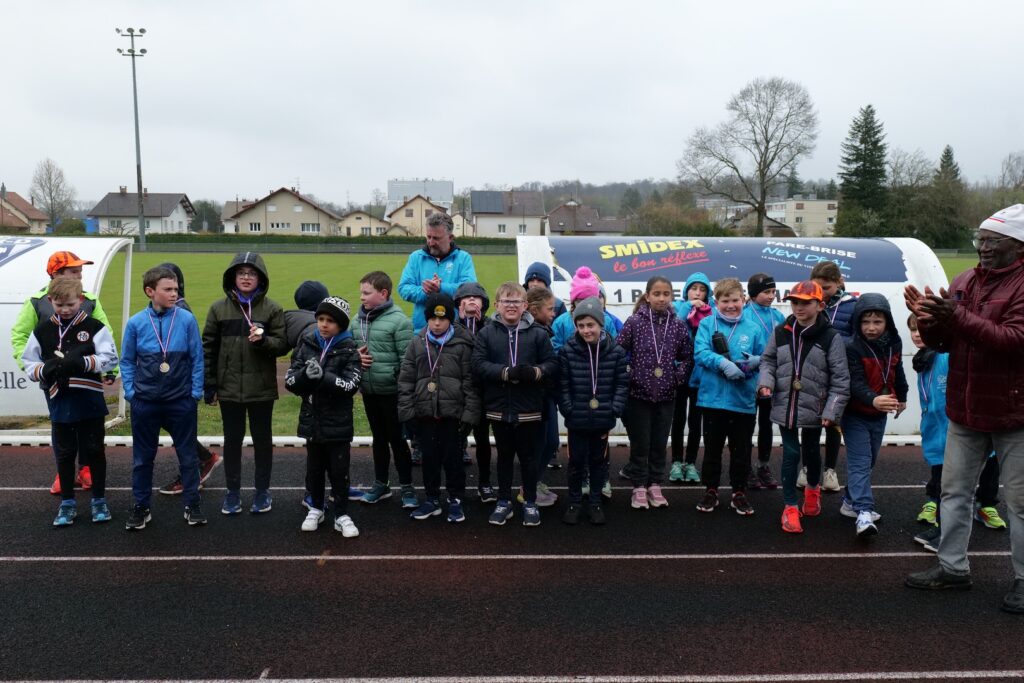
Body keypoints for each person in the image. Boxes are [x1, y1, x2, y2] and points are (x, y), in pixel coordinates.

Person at [904, 204, 1024, 614]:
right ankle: (952, 567)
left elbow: (1011, 341)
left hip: (1014, 411)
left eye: (994, 241)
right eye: (981, 240)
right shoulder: (965, 280)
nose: (984, 247)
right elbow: (944, 343)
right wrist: (927, 318)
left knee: (1021, 503)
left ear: (1018, 246)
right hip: (965, 407)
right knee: (953, 492)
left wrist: (956, 315)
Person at [10, 251, 115, 495]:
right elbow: (20, 336)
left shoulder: (89, 300)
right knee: (63, 424)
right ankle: (64, 471)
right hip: (54, 380)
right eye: (73, 270)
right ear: (56, 275)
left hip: (85, 379)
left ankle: (86, 467)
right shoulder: (36, 302)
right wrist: (37, 369)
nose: (80, 274)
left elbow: (105, 333)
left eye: (80, 270)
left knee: (88, 425)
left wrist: (111, 367)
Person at [757, 281, 850, 534]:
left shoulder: (831, 337)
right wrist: (766, 382)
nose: (798, 307)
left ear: (820, 305)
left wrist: (832, 410)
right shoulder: (781, 331)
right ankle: (789, 506)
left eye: (805, 302)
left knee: (810, 451)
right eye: (794, 301)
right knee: (790, 453)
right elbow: (768, 360)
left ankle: (812, 489)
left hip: (815, 407)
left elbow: (841, 380)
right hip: (785, 404)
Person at [908, 313, 1005, 552]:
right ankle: (942, 527)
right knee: (944, 483)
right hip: (936, 430)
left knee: (952, 486)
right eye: (914, 329)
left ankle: (947, 534)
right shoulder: (924, 358)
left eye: (924, 328)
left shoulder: (948, 355)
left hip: (955, 430)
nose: (918, 334)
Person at [203, 253, 289, 516]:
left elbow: (282, 345)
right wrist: (210, 384)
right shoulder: (218, 309)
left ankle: (262, 492)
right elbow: (209, 347)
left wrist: (264, 341)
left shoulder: (272, 309)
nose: (246, 277)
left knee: (263, 442)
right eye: (241, 273)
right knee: (232, 441)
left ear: (260, 278)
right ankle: (232, 493)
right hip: (229, 389)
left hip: (261, 389)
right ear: (232, 277)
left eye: (252, 273)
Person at [121, 266, 206, 530]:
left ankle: (192, 504)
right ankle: (141, 506)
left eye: (176, 289)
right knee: (142, 459)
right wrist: (131, 393)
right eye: (168, 289)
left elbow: (197, 358)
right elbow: (126, 361)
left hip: (180, 401)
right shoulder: (136, 323)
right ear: (150, 291)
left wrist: (194, 393)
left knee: (188, 457)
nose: (174, 294)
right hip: (145, 402)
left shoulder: (186, 320)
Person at [473, 281, 557, 527]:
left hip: (529, 408)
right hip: (499, 408)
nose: (511, 306)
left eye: (516, 301)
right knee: (505, 457)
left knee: (529, 458)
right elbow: (478, 365)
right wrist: (505, 373)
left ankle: (530, 501)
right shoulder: (486, 333)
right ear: (497, 305)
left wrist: (535, 372)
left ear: (525, 306)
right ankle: (503, 501)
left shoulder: (539, 334)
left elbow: (553, 365)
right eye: (506, 301)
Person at [398, 293, 480, 522]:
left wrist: (469, 415)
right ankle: (432, 499)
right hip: (424, 414)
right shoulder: (417, 343)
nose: (436, 323)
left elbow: (470, 383)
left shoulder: (463, 344)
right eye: (432, 318)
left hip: (453, 415)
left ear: (450, 319)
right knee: (429, 459)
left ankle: (456, 499)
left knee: (453, 459)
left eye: (442, 319)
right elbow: (406, 380)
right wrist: (408, 412)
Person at [285, 296, 361, 537]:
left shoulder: (350, 349)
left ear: (340, 325)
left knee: (339, 470)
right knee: (314, 469)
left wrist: (324, 377)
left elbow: (351, 385)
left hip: (338, 422)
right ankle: (316, 507)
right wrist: (306, 376)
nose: (323, 324)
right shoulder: (306, 343)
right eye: (320, 319)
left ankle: (342, 514)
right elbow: (291, 382)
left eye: (330, 320)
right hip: (312, 419)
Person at [617, 276, 693, 510]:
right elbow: (619, 352)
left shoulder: (678, 325)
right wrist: (630, 376)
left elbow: (687, 357)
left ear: (672, 296)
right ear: (648, 296)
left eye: (666, 294)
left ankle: (655, 484)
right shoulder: (634, 322)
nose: (661, 298)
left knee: (659, 442)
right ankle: (639, 486)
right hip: (638, 395)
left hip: (666, 396)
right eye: (657, 294)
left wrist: (676, 379)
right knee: (641, 443)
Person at [693, 277, 766, 516]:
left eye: (735, 300)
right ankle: (711, 489)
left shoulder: (753, 328)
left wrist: (756, 361)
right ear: (716, 301)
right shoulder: (707, 324)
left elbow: (766, 357)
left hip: (742, 399)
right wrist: (723, 363)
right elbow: (700, 353)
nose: (731, 305)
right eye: (725, 301)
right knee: (713, 448)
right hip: (712, 399)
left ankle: (739, 491)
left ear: (743, 300)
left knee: (741, 450)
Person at [557, 297, 629, 525]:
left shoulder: (615, 352)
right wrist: (568, 408)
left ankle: (596, 501)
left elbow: (621, 384)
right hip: (577, 419)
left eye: (591, 325)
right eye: (581, 326)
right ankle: (575, 502)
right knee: (576, 463)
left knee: (599, 463)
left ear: (601, 324)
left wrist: (614, 409)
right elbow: (563, 384)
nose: (586, 330)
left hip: (602, 419)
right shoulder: (568, 351)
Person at [840, 294, 908, 537]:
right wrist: (873, 399)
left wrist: (902, 396)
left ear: (887, 322)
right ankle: (864, 513)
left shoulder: (894, 343)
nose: (871, 327)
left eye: (877, 321)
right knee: (860, 462)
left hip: (879, 415)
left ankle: (849, 501)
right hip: (855, 413)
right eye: (865, 321)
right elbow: (854, 383)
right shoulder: (851, 347)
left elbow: (897, 370)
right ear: (857, 322)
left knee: (869, 462)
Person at [155, 263, 222, 495]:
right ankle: (204, 459)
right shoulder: (169, 309)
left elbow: (194, 352)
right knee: (173, 426)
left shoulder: (180, 312)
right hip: (170, 385)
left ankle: (192, 475)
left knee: (179, 430)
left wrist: (198, 387)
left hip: (179, 386)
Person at [354, 271, 416, 509]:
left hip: (393, 394)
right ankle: (381, 484)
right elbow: (348, 352)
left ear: (383, 294)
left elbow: (406, 361)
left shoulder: (400, 322)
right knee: (378, 440)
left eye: (366, 293)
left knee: (398, 441)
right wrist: (354, 358)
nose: (362, 297)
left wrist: (402, 391)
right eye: (361, 292)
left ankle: (408, 487)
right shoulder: (355, 321)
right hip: (369, 392)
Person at [803, 260, 858, 492]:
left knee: (833, 423)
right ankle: (807, 468)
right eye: (817, 288)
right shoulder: (811, 305)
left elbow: (858, 339)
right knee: (809, 424)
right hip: (813, 376)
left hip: (838, 377)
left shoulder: (853, 306)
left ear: (840, 282)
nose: (822, 293)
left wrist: (833, 345)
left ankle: (830, 471)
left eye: (826, 288)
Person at [397, 212, 478, 333]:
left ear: (450, 238)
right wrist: (425, 291)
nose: (430, 242)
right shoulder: (416, 258)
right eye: (428, 237)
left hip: (455, 332)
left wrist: (441, 288)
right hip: (422, 331)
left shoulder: (463, 258)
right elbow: (403, 288)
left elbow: (469, 290)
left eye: (436, 238)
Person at [669, 272, 714, 485]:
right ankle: (676, 462)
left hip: (701, 372)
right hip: (679, 371)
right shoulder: (678, 307)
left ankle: (691, 462)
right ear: (686, 290)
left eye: (702, 289)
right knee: (677, 419)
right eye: (694, 288)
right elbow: (675, 326)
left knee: (696, 420)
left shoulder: (711, 311)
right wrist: (689, 306)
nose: (697, 292)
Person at [743, 272, 785, 490]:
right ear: (753, 294)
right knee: (747, 425)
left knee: (767, 424)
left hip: (771, 379)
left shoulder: (778, 316)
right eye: (766, 292)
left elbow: (786, 347)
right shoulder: (744, 315)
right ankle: (746, 468)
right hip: (749, 380)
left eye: (773, 292)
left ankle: (763, 466)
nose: (771, 296)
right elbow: (742, 352)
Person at [454, 281, 495, 499]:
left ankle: (485, 482)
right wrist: (461, 324)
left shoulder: (490, 327)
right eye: (465, 297)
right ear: (458, 304)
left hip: (484, 392)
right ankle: (456, 487)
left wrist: (481, 328)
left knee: (482, 440)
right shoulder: (451, 326)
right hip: (460, 393)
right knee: (457, 441)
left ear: (484, 303)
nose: (471, 300)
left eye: (475, 297)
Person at [524, 285, 559, 507]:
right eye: (550, 309)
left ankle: (534, 482)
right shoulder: (529, 334)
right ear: (535, 310)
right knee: (539, 444)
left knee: (551, 442)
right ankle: (527, 488)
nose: (553, 313)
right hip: (536, 399)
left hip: (548, 397)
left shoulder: (545, 330)